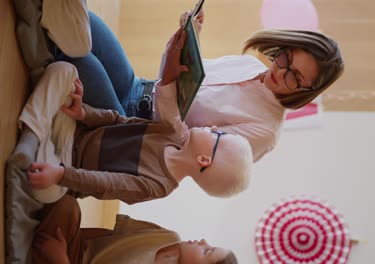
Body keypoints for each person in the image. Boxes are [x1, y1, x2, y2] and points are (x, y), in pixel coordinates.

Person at [57, 11, 344, 162]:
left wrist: (169, 81)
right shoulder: (252, 67)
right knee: (85, 22)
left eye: (294, 77)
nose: (280, 72)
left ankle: (37, 33)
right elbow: (179, 77)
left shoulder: (264, 133)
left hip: (132, 131)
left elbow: (185, 152)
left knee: (80, 61)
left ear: (306, 92)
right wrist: (186, 40)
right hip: (138, 88)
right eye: (285, 57)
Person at [11, 60, 253, 205]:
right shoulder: (170, 134)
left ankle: (37, 136)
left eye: (217, 135)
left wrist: (61, 174)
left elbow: (105, 183)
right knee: (65, 70)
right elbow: (118, 120)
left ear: (204, 160)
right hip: (74, 132)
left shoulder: (158, 185)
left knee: (47, 192)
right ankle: (31, 137)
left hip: (65, 166)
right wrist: (84, 113)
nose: (212, 127)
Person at [32, 194, 238, 264]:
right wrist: (72, 237)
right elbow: (109, 236)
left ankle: (35, 251)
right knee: (67, 205)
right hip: (76, 250)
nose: (203, 241)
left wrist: (59, 258)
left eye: (207, 251)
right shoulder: (168, 237)